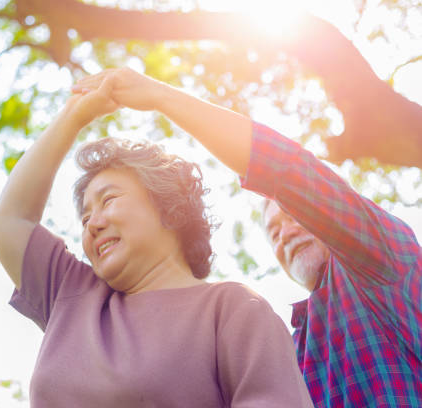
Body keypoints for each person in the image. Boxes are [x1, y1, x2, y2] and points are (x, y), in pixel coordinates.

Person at [72, 68, 422, 407]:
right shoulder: (288, 348)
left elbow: (287, 171)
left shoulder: (378, 257)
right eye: (274, 233)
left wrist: (161, 96)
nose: (285, 233)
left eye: (294, 216)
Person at [0, 72, 313, 406]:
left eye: (109, 200)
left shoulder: (233, 310)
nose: (93, 224)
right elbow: (9, 221)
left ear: (169, 208)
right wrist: (74, 116)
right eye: (85, 217)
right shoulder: (70, 294)